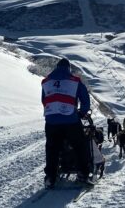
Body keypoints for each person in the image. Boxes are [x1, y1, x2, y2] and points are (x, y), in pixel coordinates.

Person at [41, 58, 91, 189]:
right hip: (70, 120)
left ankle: (50, 177)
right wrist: (81, 112)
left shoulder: (46, 81)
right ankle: (83, 174)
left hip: (51, 121)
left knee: (52, 149)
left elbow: (44, 100)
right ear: (68, 69)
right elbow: (85, 100)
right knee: (80, 145)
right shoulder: (75, 81)